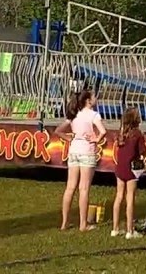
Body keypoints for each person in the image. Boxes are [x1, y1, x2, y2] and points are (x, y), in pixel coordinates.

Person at [55, 89, 106, 231]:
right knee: (84, 188)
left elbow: (58, 130)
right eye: (94, 96)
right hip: (86, 152)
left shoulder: (74, 114)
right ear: (88, 101)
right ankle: (83, 224)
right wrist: (96, 139)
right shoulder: (94, 115)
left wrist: (68, 137)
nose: (96, 98)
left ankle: (64, 222)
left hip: (74, 150)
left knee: (70, 187)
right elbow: (103, 131)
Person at [111, 106, 146, 239]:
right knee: (130, 198)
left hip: (120, 168)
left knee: (119, 196)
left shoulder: (121, 133)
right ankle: (130, 230)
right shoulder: (137, 134)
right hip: (132, 168)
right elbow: (142, 151)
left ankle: (115, 228)